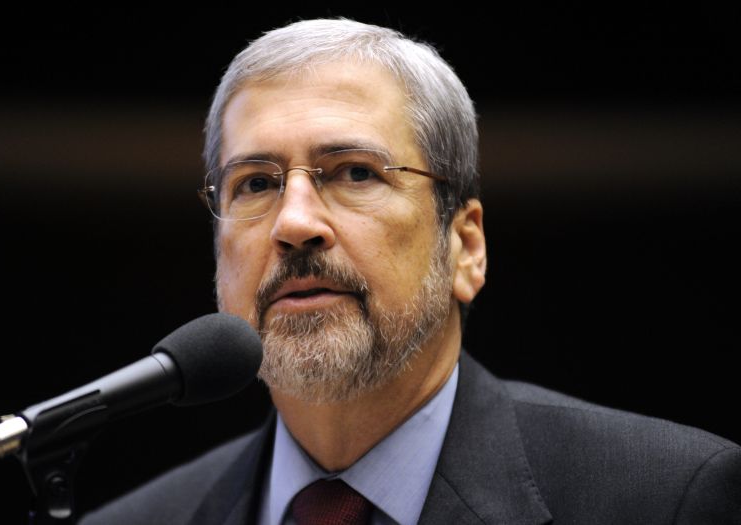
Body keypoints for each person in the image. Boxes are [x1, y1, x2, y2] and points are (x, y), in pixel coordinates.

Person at [80, 18, 741, 525]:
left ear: (466, 247)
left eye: (354, 173)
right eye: (255, 183)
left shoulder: (667, 497)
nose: (294, 222)